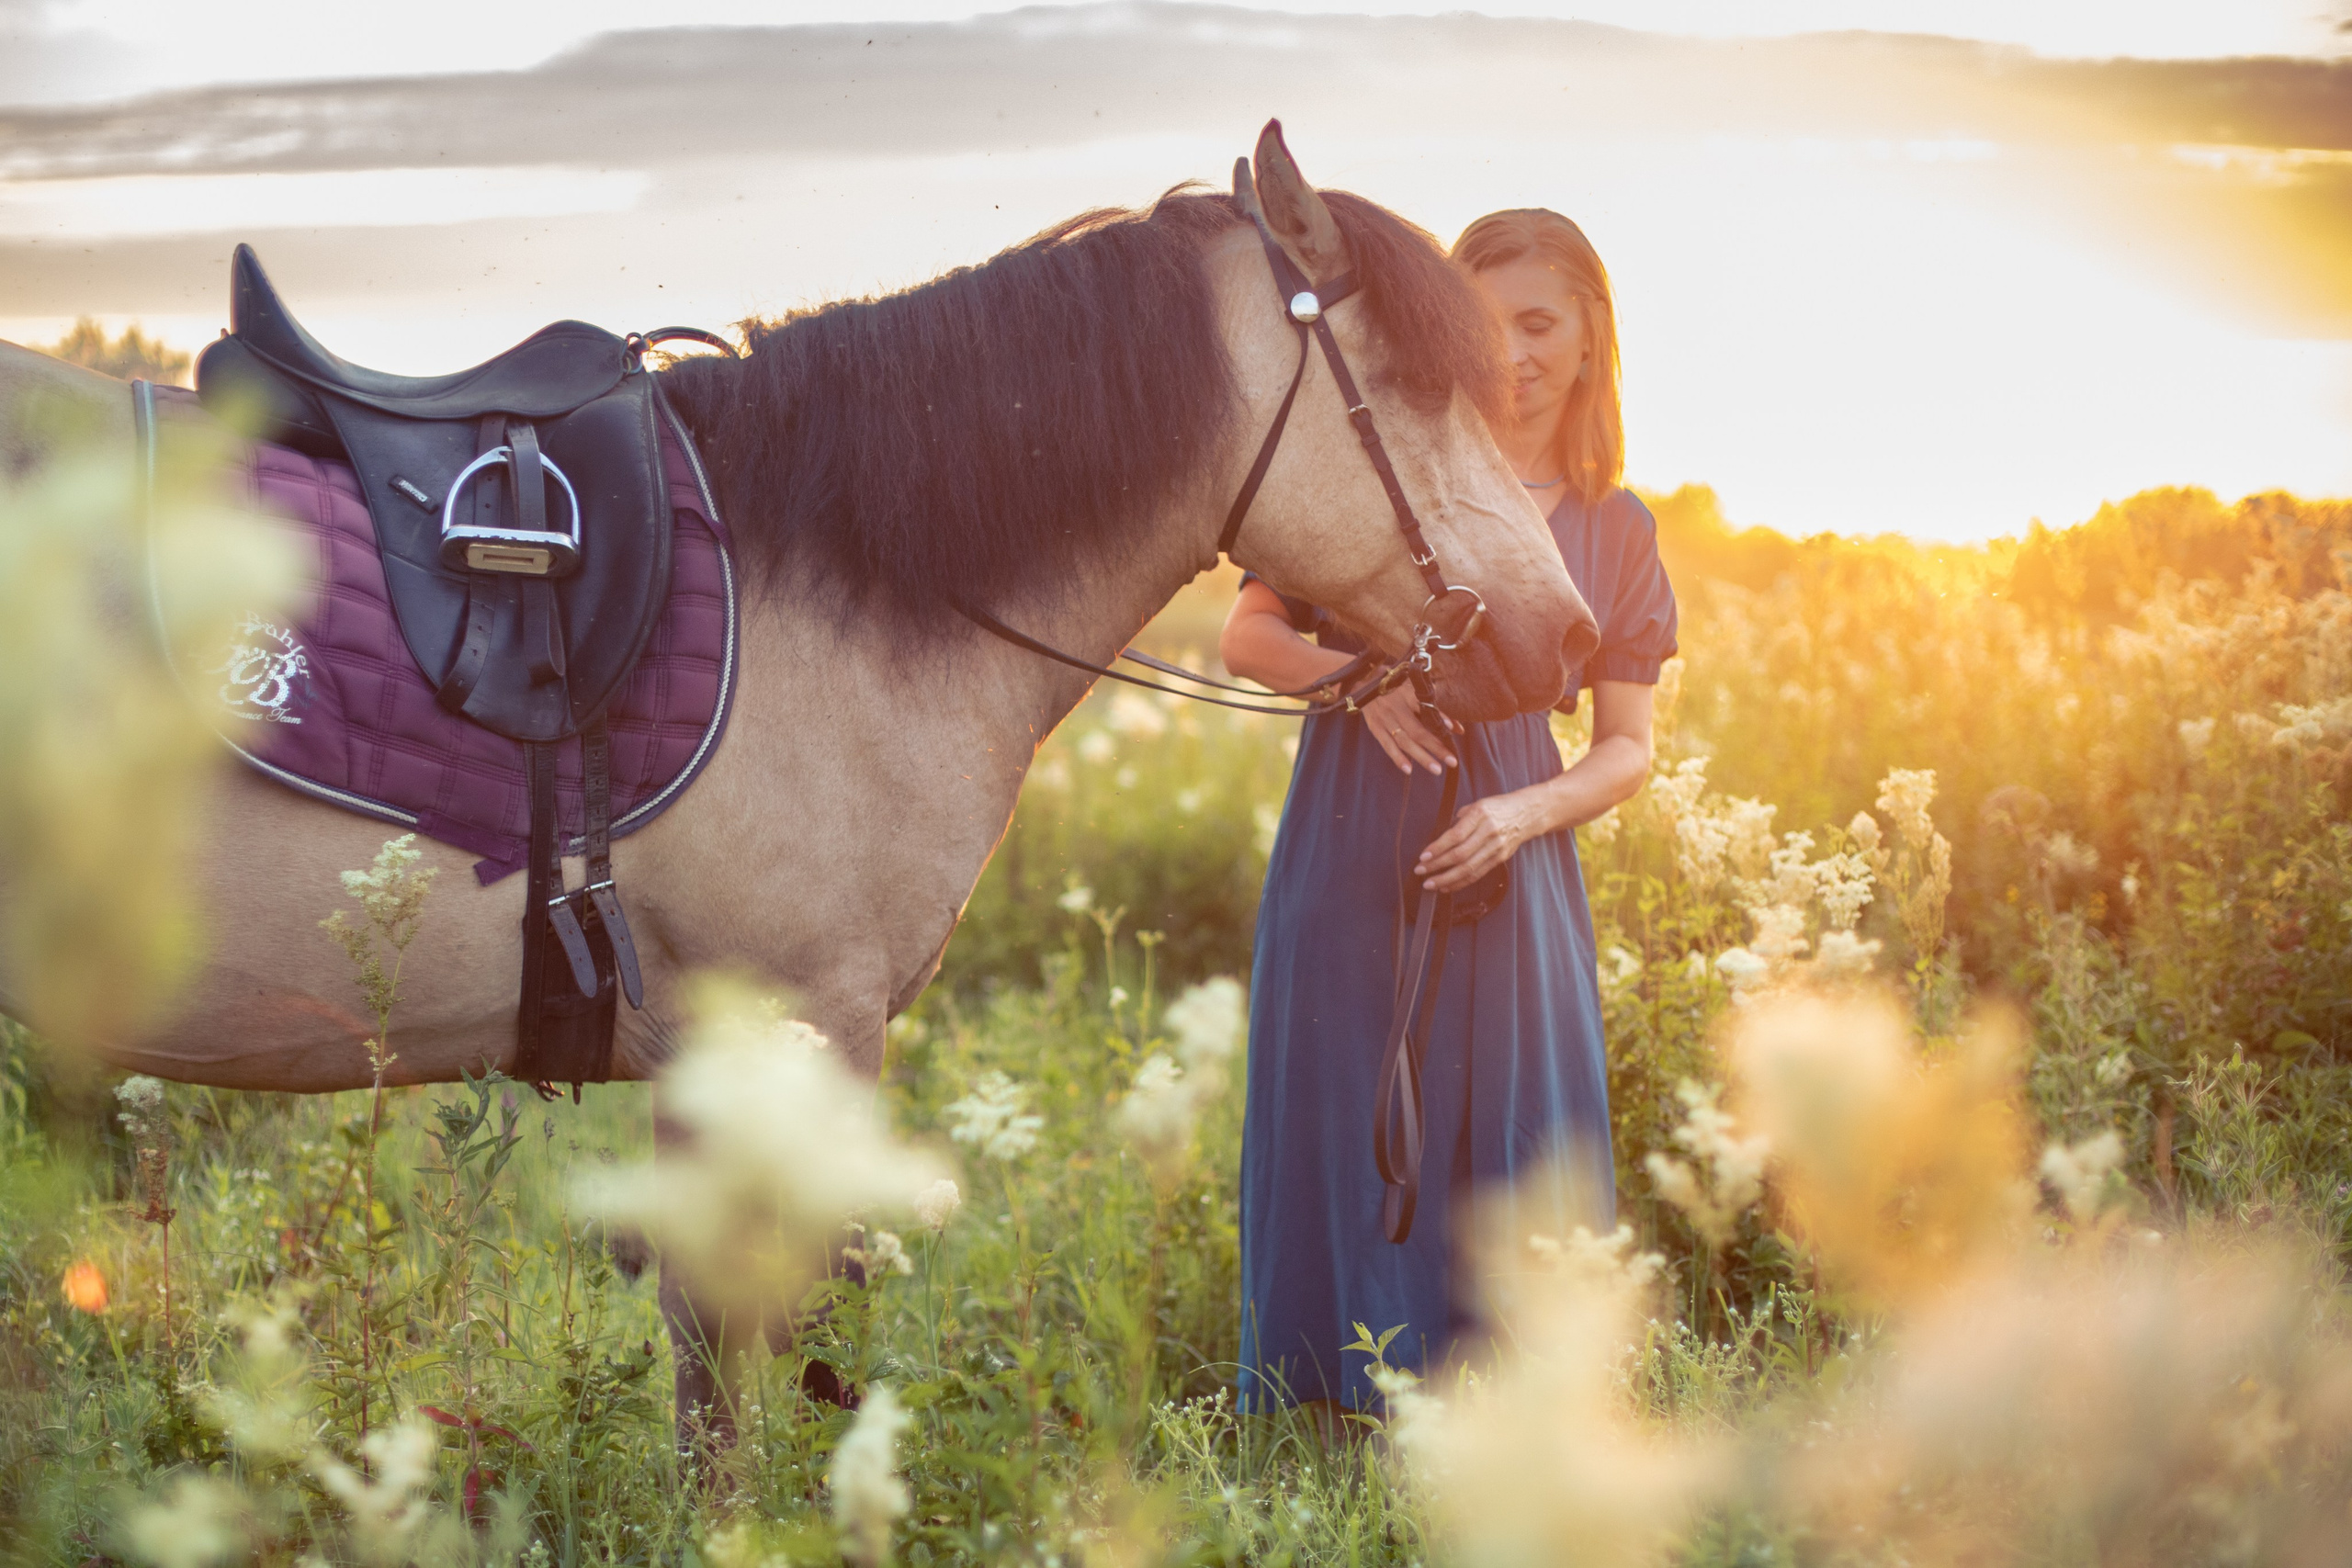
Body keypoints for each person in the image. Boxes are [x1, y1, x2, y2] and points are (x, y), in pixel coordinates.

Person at [1222, 208, 1678, 1417]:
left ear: (1590, 341)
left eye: (1540, 324)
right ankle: (1334, 1406)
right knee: (1338, 1106)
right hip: (1348, 831)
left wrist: (1525, 813)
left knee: (1509, 1124)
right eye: (1487, 325)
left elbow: (1627, 750)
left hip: (1506, 853)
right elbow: (1247, 633)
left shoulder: (1615, 527)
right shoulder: (1384, 471)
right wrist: (1356, 682)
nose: (1514, 353)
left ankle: (1512, 1411)